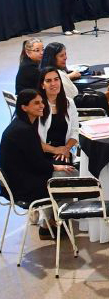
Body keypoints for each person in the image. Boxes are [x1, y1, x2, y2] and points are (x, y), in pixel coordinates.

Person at [1, 90, 74, 233]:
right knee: (70, 179)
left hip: (14, 183)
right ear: (24, 107)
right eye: (36, 103)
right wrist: (55, 167)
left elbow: (33, 159)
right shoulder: (24, 130)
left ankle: (52, 222)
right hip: (23, 188)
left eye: (42, 102)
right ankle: (51, 225)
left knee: (63, 171)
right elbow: (37, 163)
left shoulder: (19, 124)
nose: (42, 106)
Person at [37, 67, 78, 158]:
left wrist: (66, 149)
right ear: (42, 85)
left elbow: (75, 131)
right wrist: (55, 150)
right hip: (42, 153)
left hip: (64, 152)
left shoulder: (69, 103)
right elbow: (32, 139)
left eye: (56, 79)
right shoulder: (37, 105)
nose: (53, 83)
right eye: (48, 81)